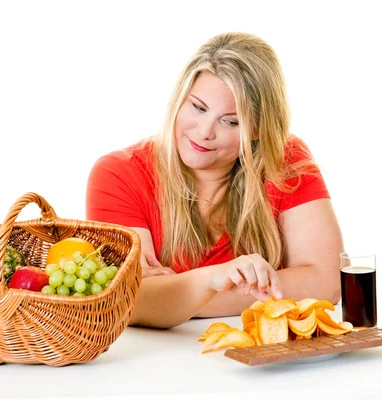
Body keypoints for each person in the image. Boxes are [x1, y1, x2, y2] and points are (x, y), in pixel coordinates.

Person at [85, 32, 344, 329]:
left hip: (265, 359)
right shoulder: (118, 174)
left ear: (258, 130)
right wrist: (214, 279)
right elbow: (129, 300)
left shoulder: (285, 159)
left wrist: (176, 297)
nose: (204, 132)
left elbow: (329, 281)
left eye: (231, 121)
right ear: (179, 99)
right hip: (161, 363)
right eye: (197, 107)